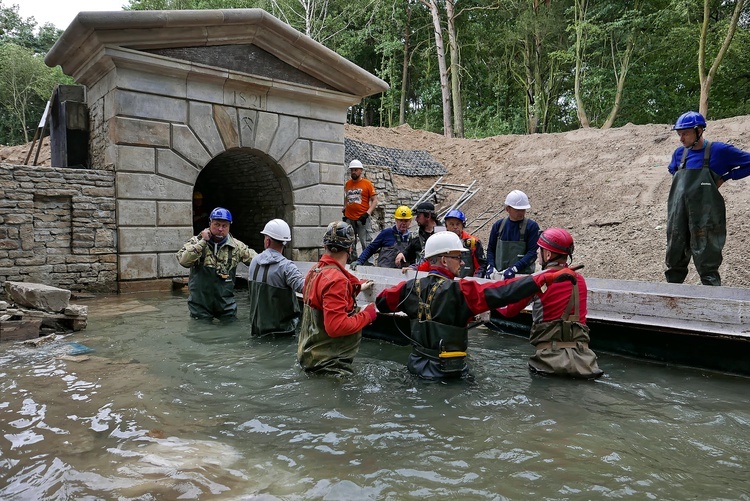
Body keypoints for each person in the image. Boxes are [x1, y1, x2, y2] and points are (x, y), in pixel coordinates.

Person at [375, 230, 576, 380]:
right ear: (444, 260)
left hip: (416, 369)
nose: (463, 263)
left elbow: (382, 303)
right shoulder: (462, 291)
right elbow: (504, 291)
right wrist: (544, 278)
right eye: (458, 257)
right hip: (450, 372)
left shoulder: (408, 288)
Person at [495, 228, 603, 379]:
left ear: (548, 254)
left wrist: (493, 296)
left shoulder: (539, 281)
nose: (537, 252)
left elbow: (509, 311)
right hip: (584, 362)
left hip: (549, 363)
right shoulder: (580, 281)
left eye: (539, 249)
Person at [666, 111, 750, 286]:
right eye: (679, 134)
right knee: (675, 252)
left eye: (685, 133)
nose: (681, 139)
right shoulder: (679, 154)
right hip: (678, 213)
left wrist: (726, 177)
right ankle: (672, 297)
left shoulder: (719, 151)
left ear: (699, 131)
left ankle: (711, 298)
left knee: (707, 256)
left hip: (706, 214)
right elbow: (673, 171)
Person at [297, 221, 378, 376]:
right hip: (330, 367)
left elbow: (322, 301)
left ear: (324, 247)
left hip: (309, 359)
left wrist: (355, 288)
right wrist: (367, 315)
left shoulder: (314, 271)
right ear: (350, 248)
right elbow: (336, 327)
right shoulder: (337, 281)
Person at [176, 207, 257, 322]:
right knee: (200, 333)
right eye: (217, 225)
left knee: (230, 332)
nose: (220, 229)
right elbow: (183, 261)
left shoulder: (237, 247)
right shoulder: (196, 242)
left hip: (226, 305)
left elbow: (258, 261)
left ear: (229, 226)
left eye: (224, 226)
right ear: (210, 224)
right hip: (200, 305)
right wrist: (203, 242)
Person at [247, 219, 305, 338]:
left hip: (257, 331)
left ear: (267, 241)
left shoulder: (254, 262)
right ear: (285, 242)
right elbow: (306, 288)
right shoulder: (287, 267)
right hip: (283, 333)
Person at [486, 190, 540, 279]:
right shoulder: (498, 226)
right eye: (518, 210)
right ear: (508, 209)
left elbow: (532, 253)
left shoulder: (531, 227)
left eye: (523, 210)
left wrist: (515, 269)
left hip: (522, 277)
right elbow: (491, 249)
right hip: (500, 276)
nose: (521, 213)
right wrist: (490, 266)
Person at [351, 205, 414, 270]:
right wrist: (360, 261)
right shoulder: (387, 233)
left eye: (406, 221)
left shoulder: (412, 238)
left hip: (403, 275)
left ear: (410, 221)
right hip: (384, 272)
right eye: (401, 220)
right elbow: (371, 248)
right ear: (396, 220)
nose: (403, 223)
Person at [343, 159, 378, 264]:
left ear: (360, 171)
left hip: (362, 218)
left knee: (366, 242)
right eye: (352, 170)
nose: (353, 172)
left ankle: (369, 264)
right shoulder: (348, 184)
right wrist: (344, 208)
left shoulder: (367, 184)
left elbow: (375, 200)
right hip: (349, 218)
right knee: (350, 242)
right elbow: (347, 197)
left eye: (355, 170)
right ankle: (351, 262)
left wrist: (367, 213)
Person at [443, 209, 486, 278]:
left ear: (463, 225)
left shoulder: (473, 242)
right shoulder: (441, 241)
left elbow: (481, 265)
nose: (455, 227)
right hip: (447, 282)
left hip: (467, 283)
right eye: (451, 224)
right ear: (446, 226)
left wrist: (475, 279)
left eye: (458, 224)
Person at [397, 201, 439, 268]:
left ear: (428, 216)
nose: (416, 219)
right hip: (421, 273)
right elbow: (409, 254)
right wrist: (402, 254)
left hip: (441, 273)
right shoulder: (415, 236)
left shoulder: (444, 233)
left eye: (418, 216)